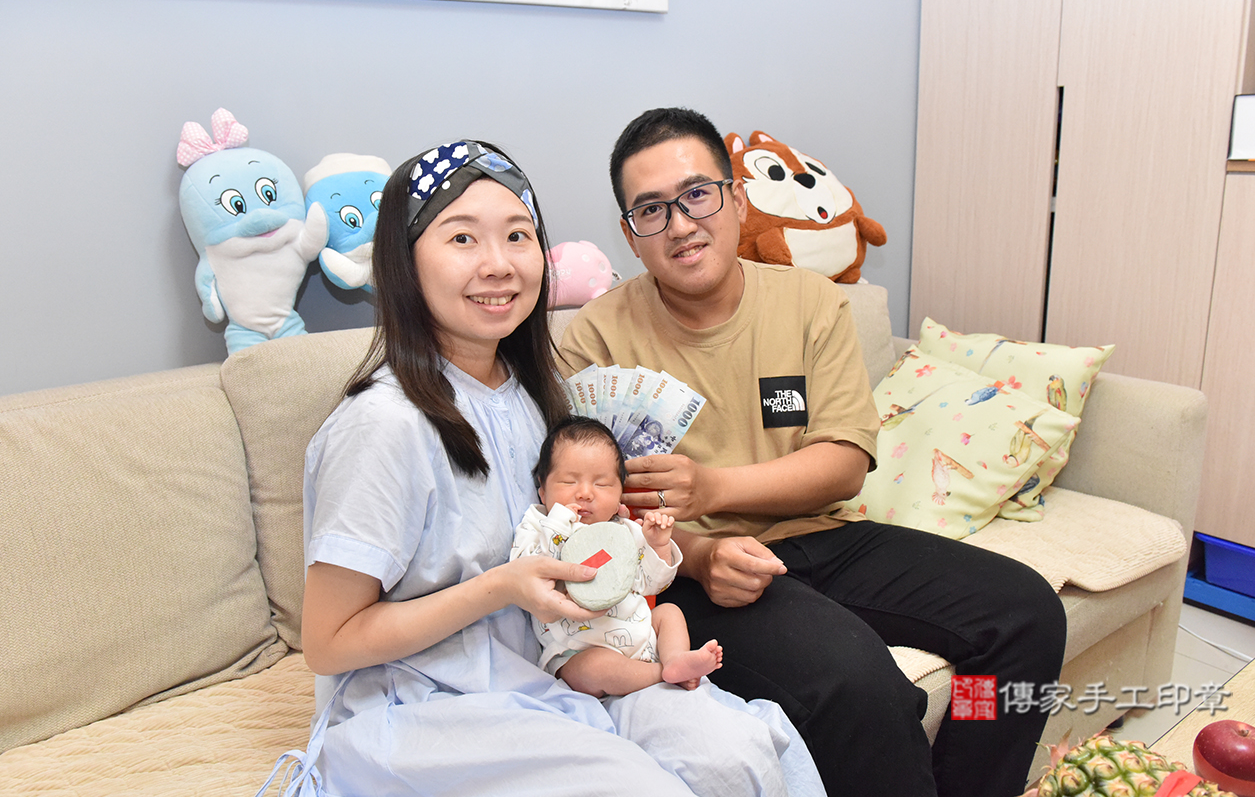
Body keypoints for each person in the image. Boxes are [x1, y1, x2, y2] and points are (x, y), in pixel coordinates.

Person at [264, 139, 825, 797]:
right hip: (424, 704)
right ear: (403, 262)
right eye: (462, 238)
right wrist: (501, 587)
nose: (498, 264)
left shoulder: (538, 399)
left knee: (738, 754)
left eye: (517, 235)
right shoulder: (383, 425)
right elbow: (328, 642)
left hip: (558, 671)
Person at [556, 108, 1068, 797]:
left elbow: (843, 462)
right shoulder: (595, 339)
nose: (679, 224)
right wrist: (701, 555)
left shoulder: (808, 301)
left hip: (825, 537)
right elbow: (588, 508)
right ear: (631, 234)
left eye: (697, 195)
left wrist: (714, 487)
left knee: (1024, 615)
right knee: (860, 685)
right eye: (651, 210)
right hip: (694, 575)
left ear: (738, 200)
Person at [511, 415, 723, 695]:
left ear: (620, 494)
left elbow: (652, 584)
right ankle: (661, 675)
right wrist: (559, 523)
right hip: (577, 651)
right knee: (594, 668)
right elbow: (527, 573)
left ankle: (675, 660)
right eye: (569, 481)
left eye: (601, 484)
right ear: (542, 489)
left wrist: (657, 545)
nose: (585, 493)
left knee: (669, 612)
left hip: (638, 634)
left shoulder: (623, 531)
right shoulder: (537, 525)